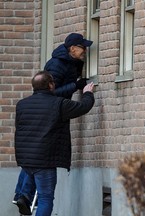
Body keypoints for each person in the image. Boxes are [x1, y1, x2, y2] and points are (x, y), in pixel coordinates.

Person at [13, 32, 93, 211]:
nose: (85, 51)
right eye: (83, 48)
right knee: (46, 196)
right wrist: (81, 89)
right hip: (46, 154)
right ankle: (22, 195)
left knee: (31, 167)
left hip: (30, 153)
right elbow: (55, 95)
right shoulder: (56, 66)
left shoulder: (23, 105)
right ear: (72, 48)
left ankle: (22, 195)